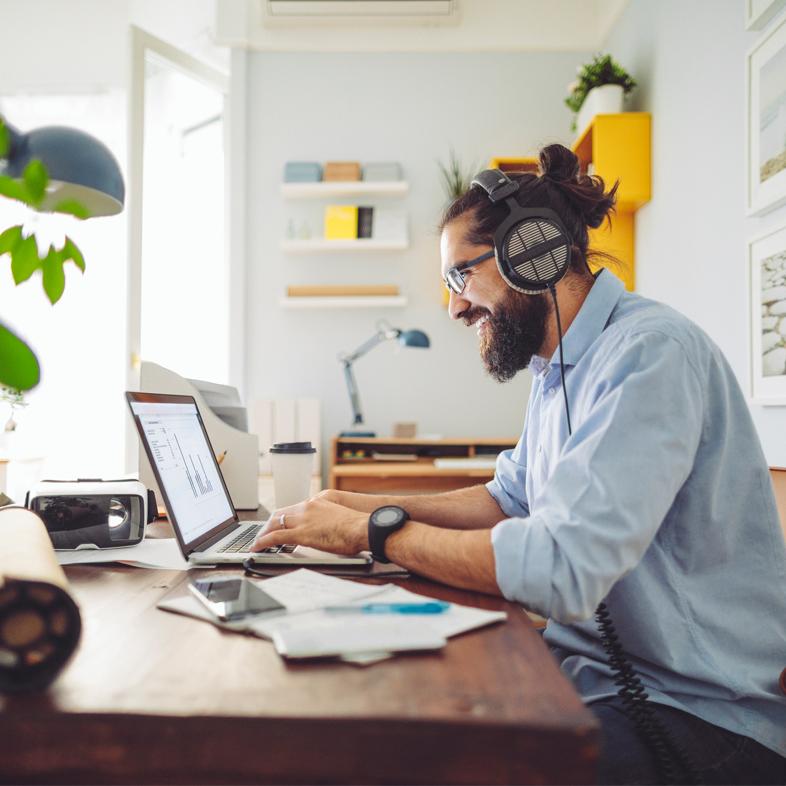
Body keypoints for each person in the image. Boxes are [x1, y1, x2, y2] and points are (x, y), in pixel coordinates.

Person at [252, 143, 786, 785]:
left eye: (459, 278)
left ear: (530, 253)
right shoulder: (558, 366)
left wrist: (376, 532)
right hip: (594, 678)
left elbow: (561, 569)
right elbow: (510, 498)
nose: (452, 308)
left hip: (697, 717)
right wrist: (349, 504)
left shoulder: (650, 356)